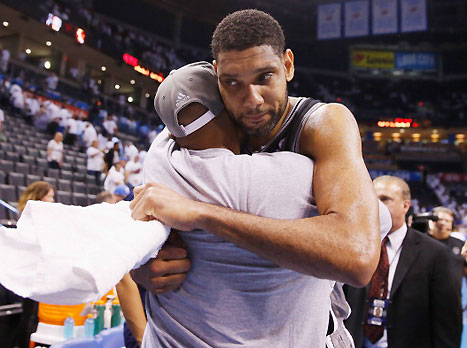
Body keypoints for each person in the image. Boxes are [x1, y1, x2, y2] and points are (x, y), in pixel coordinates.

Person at [131, 8, 381, 342]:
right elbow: (146, 212)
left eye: (265, 77)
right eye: (233, 82)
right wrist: (144, 264)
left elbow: (358, 256)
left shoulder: (323, 125)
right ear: (216, 75)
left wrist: (204, 215)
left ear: (288, 65)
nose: (252, 101)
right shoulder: (192, 128)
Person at [344, 175, 462, 348]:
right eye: (372, 198)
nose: (376, 205)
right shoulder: (351, 245)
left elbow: (447, 321)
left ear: (406, 205)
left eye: (385, 199)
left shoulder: (435, 253)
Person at [8, 181, 55, 348]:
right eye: (50, 196)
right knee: (30, 316)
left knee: (32, 316)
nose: (52, 200)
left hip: (39, 272)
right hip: (31, 273)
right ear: (40, 197)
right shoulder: (31, 219)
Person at [429, 206, 466, 291]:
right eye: (440, 219)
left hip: (452, 300)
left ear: (452, 224)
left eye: (447, 220)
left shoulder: (459, 244)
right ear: (432, 221)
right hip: (424, 299)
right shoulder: (422, 241)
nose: (443, 223)